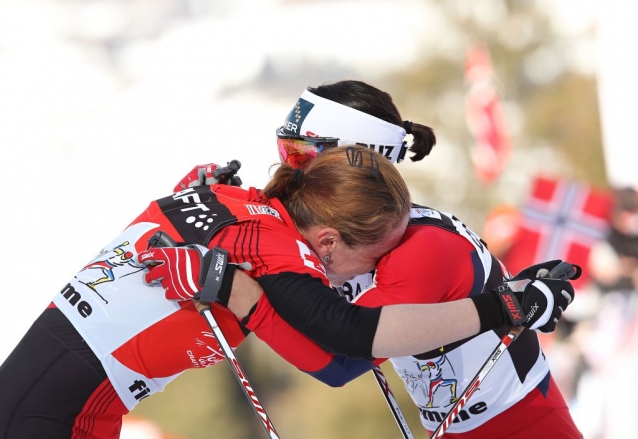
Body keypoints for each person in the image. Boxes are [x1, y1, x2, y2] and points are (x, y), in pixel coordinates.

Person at [148, 80, 582, 438]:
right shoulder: (351, 233)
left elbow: (340, 360)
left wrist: (235, 286)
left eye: (300, 156)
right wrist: (214, 209)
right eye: (285, 151)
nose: (288, 170)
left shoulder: (420, 247)